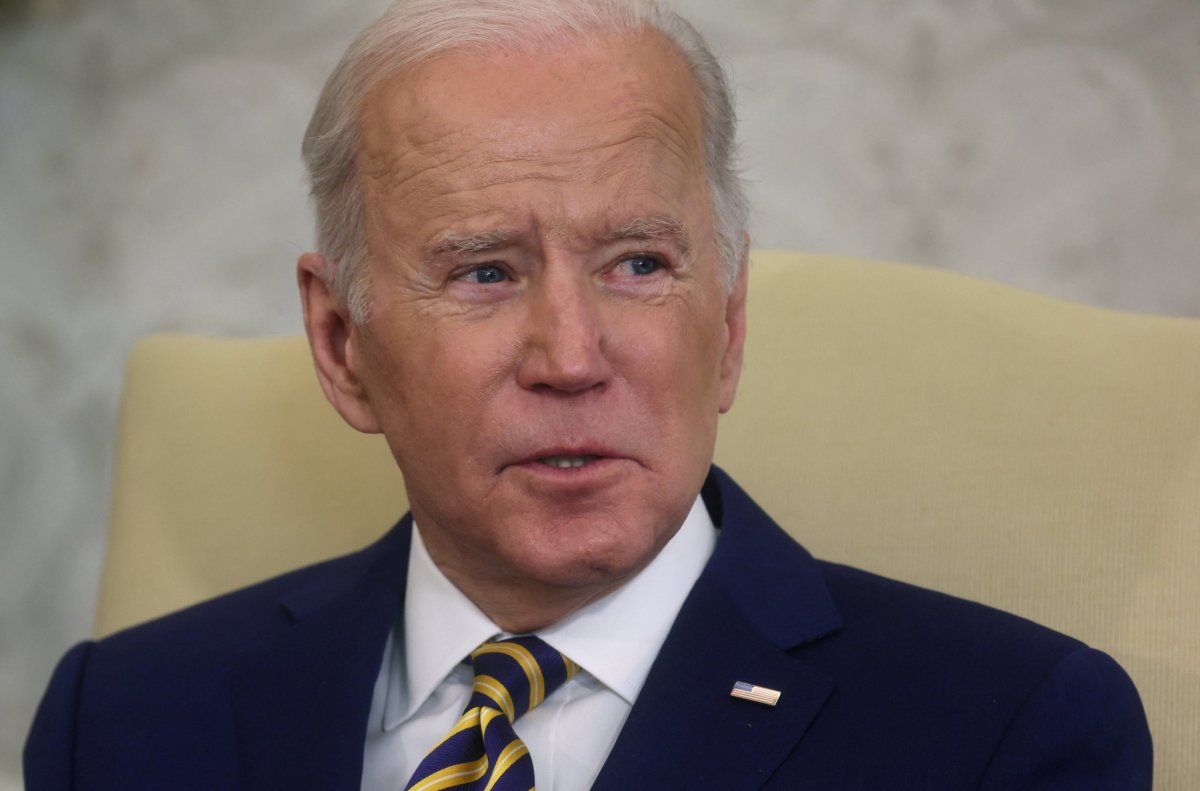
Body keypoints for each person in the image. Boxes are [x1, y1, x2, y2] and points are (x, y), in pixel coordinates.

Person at [25, 1, 1152, 789]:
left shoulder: (1004, 725)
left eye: (640, 264)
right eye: (483, 271)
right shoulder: (120, 718)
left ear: (730, 327)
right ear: (340, 343)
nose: (570, 354)